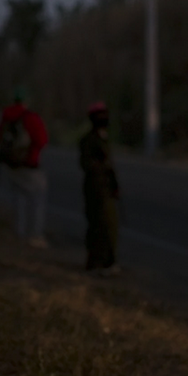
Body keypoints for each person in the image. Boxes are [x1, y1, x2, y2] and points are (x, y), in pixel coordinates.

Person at [0, 89, 49, 248]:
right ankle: (34, 235)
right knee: (36, 199)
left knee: (18, 199)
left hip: (11, 163)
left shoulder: (6, 116)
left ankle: (18, 233)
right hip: (29, 164)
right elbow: (42, 139)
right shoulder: (30, 117)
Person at [78, 102, 120, 274]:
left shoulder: (103, 137)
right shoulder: (89, 140)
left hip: (105, 188)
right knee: (99, 225)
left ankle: (106, 261)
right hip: (96, 189)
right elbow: (87, 164)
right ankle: (98, 261)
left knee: (109, 225)